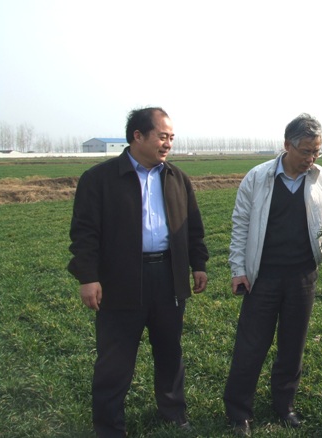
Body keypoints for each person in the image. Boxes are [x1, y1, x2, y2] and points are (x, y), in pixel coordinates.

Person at [68, 107, 209, 437]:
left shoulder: (176, 178)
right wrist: (88, 277)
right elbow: (84, 233)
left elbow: (193, 228)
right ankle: (109, 426)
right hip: (120, 281)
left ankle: (173, 413)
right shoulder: (99, 179)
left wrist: (198, 264)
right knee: (115, 359)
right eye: (162, 136)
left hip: (168, 278)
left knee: (170, 351)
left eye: (171, 138)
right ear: (138, 136)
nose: (168, 143)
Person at [224, 114, 322, 436]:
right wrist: (238, 269)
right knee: (251, 346)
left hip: (303, 276)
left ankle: (284, 405)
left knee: (292, 345)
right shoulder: (258, 177)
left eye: (317, 151)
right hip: (262, 276)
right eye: (306, 151)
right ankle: (239, 412)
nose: (311, 158)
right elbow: (240, 224)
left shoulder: (321, 178)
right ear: (287, 145)